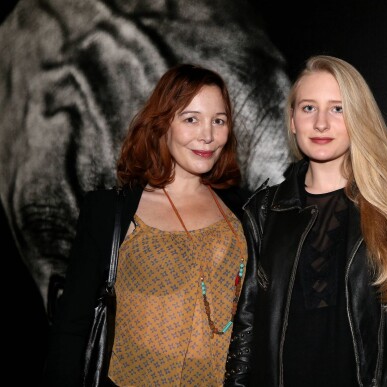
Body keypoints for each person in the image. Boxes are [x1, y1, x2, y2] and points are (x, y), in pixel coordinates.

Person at [224, 55, 387, 386]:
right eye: (308, 108)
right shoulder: (262, 212)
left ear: (358, 118)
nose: (321, 123)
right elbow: (244, 328)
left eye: (337, 108)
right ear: (292, 120)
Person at [43, 64, 249, 386]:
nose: (207, 135)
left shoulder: (242, 210)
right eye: (191, 118)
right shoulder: (110, 211)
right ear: (163, 123)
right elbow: (71, 325)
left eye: (218, 121)